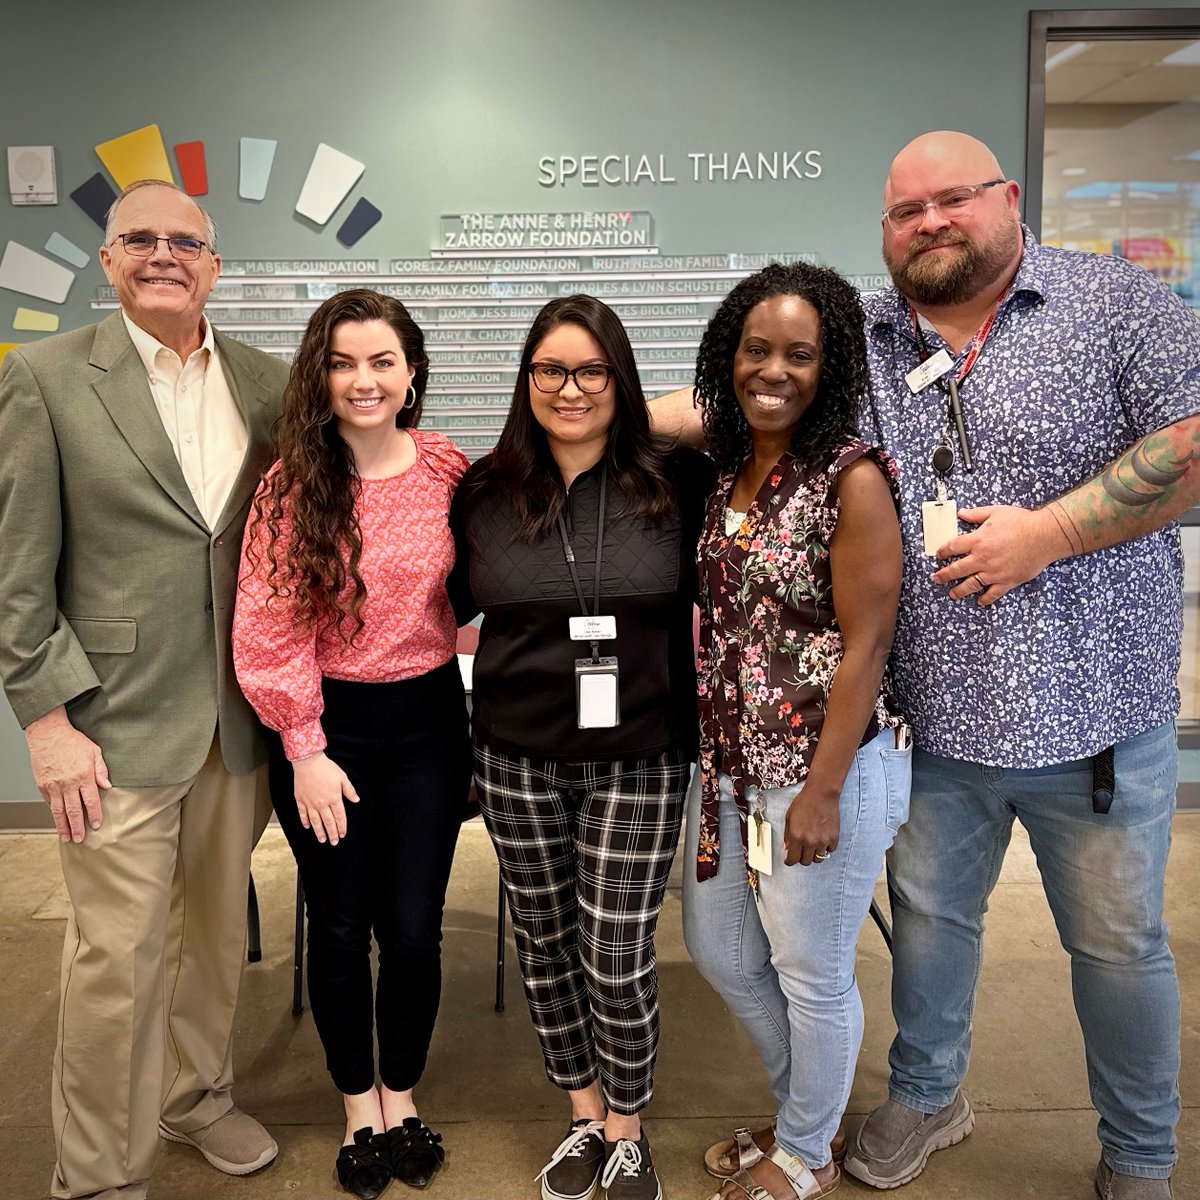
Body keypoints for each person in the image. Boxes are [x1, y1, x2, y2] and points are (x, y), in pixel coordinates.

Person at [841, 132, 1199, 1200]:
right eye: (907, 211)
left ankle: (1139, 1152)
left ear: (1008, 200)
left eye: (954, 200)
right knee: (931, 931)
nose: (932, 223)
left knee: (1116, 950)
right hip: (933, 724)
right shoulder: (865, 331)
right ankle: (927, 1094)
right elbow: (739, 404)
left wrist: (1045, 533)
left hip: (1095, 720)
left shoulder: (1111, 303)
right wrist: (587, 407)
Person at [0, 179, 288, 1200]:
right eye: (140, 239)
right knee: (115, 964)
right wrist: (46, 721)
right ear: (108, 259)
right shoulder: (44, 377)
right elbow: (16, 574)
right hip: (109, 729)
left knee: (213, 943)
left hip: (235, 725)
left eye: (187, 242)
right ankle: (98, 1176)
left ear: (214, 265)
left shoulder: (266, 381)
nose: (164, 255)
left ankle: (193, 1100)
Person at [449, 294, 715, 1200]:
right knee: (546, 943)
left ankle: (629, 1123)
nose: (570, 389)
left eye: (591, 370)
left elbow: (747, 396)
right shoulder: (482, 492)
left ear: (620, 380)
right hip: (515, 753)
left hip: (642, 748)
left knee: (615, 948)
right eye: (550, 370)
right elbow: (438, 604)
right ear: (526, 380)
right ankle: (583, 1115)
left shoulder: (679, 480)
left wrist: (653, 414)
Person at [233, 288, 470, 1198]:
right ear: (319, 377)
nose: (362, 380)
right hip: (328, 731)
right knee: (337, 927)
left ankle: (401, 1094)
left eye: (381, 361)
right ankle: (356, 1105)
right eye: (342, 363)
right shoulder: (292, 486)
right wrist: (304, 745)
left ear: (411, 372)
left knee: (412, 932)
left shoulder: (447, 467)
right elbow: (267, 622)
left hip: (429, 726)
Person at [680, 263, 909, 1200]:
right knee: (724, 950)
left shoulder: (850, 478)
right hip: (731, 769)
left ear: (833, 366)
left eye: (800, 354)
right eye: (756, 348)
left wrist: (821, 789)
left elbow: (867, 648)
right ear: (728, 356)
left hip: (824, 774)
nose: (774, 370)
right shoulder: (730, 470)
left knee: (812, 974)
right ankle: (802, 1118)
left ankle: (807, 1151)